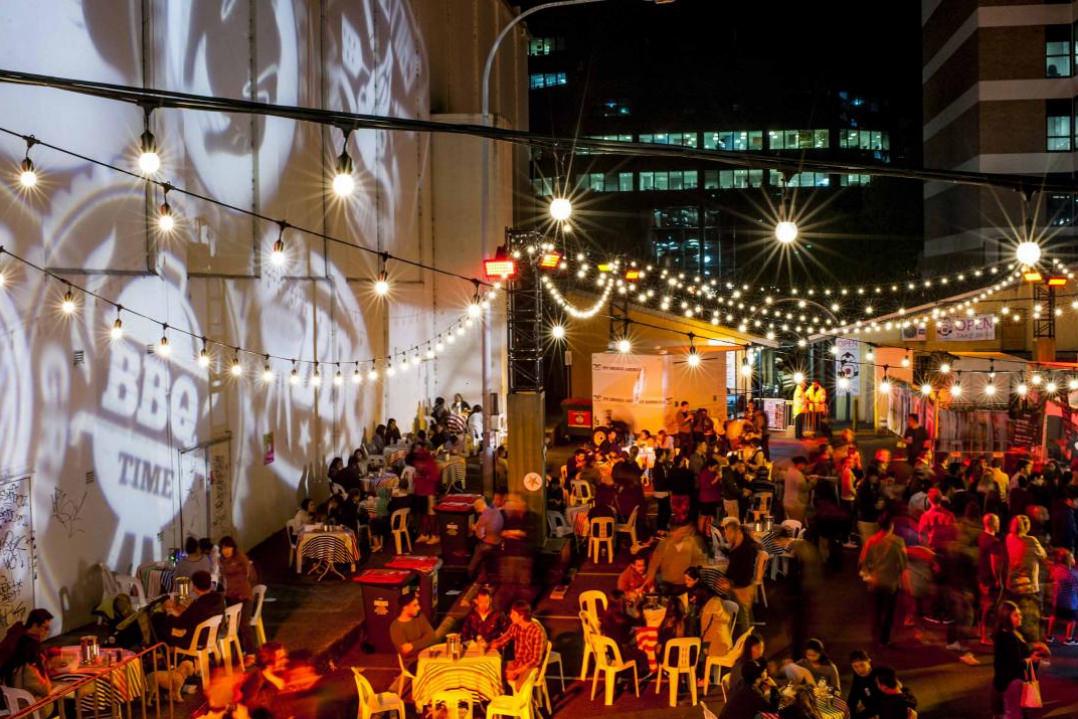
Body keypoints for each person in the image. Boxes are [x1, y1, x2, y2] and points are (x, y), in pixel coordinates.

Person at [992, 600, 1049, 719]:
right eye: (1016, 615)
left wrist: (1032, 648)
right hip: (1011, 683)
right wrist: (1031, 659)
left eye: (1020, 614)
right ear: (1006, 617)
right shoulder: (1009, 638)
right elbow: (1012, 665)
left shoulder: (1009, 633)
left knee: (1011, 712)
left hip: (1006, 682)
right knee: (1014, 714)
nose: (1020, 617)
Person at [859, 514, 908, 647]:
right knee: (889, 612)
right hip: (891, 583)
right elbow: (903, 565)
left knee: (876, 610)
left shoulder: (871, 540)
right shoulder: (898, 542)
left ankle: (875, 636)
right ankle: (884, 639)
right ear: (891, 526)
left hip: (875, 582)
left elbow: (863, 561)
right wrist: (906, 585)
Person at [154, 570, 225, 647]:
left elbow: (179, 624)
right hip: (211, 637)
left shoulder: (198, 605)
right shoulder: (219, 599)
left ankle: (164, 653)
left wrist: (168, 611)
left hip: (195, 640)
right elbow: (189, 617)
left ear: (194, 586)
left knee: (159, 620)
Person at [1005, 514, 1047, 641]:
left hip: (1012, 583)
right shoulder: (1031, 541)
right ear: (1027, 527)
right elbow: (1043, 555)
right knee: (1030, 618)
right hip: (1027, 586)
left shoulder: (1009, 538)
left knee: (1014, 615)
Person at [490, 601, 545, 690]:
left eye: (513, 614)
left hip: (530, 667)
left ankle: (523, 702)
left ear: (521, 616)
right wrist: (491, 644)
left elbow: (536, 660)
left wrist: (516, 672)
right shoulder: (515, 626)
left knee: (519, 687)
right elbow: (503, 639)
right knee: (493, 671)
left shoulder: (537, 632)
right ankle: (503, 698)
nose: (510, 616)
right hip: (518, 662)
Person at [717, 517, 759, 635]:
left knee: (744, 617)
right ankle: (750, 638)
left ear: (736, 532)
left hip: (742, 587)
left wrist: (730, 584)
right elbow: (735, 559)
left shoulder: (747, 549)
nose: (726, 536)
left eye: (728, 533)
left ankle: (746, 642)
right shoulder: (739, 544)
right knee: (746, 615)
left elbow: (745, 573)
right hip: (738, 584)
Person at [646, 520, 707, 595]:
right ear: (672, 532)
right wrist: (650, 578)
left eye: (683, 532)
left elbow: (698, 562)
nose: (682, 534)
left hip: (684, 585)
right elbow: (654, 563)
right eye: (680, 532)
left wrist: (696, 579)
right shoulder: (664, 544)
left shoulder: (691, 543)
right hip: (666, 585)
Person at [219, 536, 257, 652]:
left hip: (244, 596)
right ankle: (240, 650)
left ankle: (251, 652)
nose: (226, 551)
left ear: (233, 548)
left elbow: (251, 575)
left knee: (244, 624)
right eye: (223, 548)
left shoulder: (240, 558)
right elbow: (222, 577)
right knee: (232, 625)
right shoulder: (221, 561)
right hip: (231, 596)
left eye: (228, 547)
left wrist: (244, 586)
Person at [0, 609, 52, 685]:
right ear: (35, 625)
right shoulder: (29, 644)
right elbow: (36, 669)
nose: (47, 632)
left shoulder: (19, 631)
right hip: (14, 682)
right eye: (46, 628)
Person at [978, 513, 1004, 645]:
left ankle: (981, 631)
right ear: (994, 524)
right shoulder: (994, 542)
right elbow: (994, 563)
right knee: (989, 607)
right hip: (989, 578)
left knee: (984, 605)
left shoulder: (982, 537)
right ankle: (984, 636)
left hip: (981, 575)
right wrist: (997, 578)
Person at [239, 642, 289, 711]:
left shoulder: (280, 674)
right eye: (281, 658)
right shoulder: (257, 683)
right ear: (269, 663)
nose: (286, 660)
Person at [389, 594, 437, 660]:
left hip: (428, 656)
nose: (419, 608)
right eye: (415, 605)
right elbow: (405, 651)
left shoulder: (420, 617)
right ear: (405, 607)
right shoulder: (396, 626)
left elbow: (432, 637)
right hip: (412, 661)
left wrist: (412, 645)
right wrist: (424, 641)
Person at [1046, 548, 1078, 645]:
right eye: (1072, 558)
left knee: (1054, 616)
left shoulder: (1056, 569)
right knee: (1072, 619)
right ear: (1068, 559)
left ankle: (1049, 636)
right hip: (1070, 602)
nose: (1074, 560)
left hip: (1057, 599)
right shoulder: (1072, 574)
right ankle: (1068, 639)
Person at [468, 496, 503, 581]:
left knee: (473, 564)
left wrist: (474, 528)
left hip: (487, 545)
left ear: (478, 509)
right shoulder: (496, 511)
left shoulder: (483, 517)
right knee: (488, 563)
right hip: (497, 543)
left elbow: (480, 535)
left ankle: (470, 579)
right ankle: (488, 579)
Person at [847, 650, 880, 719]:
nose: (860, 669)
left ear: (869, 661)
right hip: (869, 709)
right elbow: (853, 696)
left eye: (862, 665)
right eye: (855, 667)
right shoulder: (857, 676)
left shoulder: (879, 675)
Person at [783, 457, 811, 523]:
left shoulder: (790, 471)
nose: (805, 467)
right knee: (796, 524)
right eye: (804, 465)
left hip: (788, 502)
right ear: (800, 464)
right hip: (796, 503)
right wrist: (813, 482)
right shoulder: (797, 474)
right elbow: (804, 488)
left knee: (790, 524)